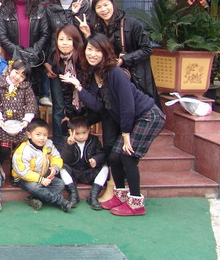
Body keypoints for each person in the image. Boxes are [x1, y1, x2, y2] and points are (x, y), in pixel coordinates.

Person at [59, 33, 166, 216]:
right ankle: (120, 195)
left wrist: (126, 134)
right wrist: (78, 86)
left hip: (149, 116)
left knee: (127, 156)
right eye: (89, 50)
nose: (92, 54)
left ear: (105, 52)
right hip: (134, 119)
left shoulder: (115, 73)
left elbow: (127, 105)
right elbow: (98, 106)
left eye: (97, 51)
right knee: (114, 156)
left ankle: (136, 203)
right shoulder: (95, 74)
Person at [85, 0, 159, 102]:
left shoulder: (131, 24)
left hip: (135, 78)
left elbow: (147, 49)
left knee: (136, 106)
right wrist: (87, 35)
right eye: (99, 7)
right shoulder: (98, 29)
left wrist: (124, 59)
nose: (103, 9)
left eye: (106, 5)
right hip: (111, 78)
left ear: (113, 4)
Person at [44, 0, 90, 145]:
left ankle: (79, 142)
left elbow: (80, 34)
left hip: (78, 63)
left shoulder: (84, 6)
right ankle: (59, 144)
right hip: (57, 62)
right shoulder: (50, 8)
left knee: (78, 105)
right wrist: (47, 62)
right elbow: (48, 35)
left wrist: (73, 13)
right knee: (58, 107)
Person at [0, 0, 50, 105]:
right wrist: (19, 54)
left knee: (31, 103)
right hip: (13, 62)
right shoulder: (4, 8)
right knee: (11, 102)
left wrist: (32, 52)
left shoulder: (39, 8)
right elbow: (2, 36)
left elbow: (45, 33)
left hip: (34, 62)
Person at [12, 118, 72, 212]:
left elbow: (56, 157)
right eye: (38, 134)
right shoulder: (24, 150)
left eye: (45, 135)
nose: (42, 138)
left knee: (60, 184)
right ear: (29, 135)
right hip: (23, 178)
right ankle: (60, 201)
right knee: (34, 187)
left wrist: (55, 168)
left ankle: (34, 199)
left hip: (42, 175)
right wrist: (41, 180)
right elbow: (23, 172)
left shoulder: (49, 144)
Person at [0, 60, 37, 165]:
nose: (17, 77)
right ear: (10, 69)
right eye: (16, 72)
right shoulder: (1, 85)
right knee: (4, 149)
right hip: (3, 124)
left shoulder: (26, 88)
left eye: (22, 76)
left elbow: (31, 104)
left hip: (20, 124)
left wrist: (26, 120)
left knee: (19, 151)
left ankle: (15, 171)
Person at [59, 116, 108, 210]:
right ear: (70, 132)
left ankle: (93, 196)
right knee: (62, 167)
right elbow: (65, 159)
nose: (81, 136)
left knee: (105, 168)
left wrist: (96, 160)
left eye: (84, 133)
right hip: (73, 172)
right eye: (77, 133)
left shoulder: (94, 140)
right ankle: (74, 195)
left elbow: (101, 154)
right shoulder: (66, 140)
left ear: (89, 130)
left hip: (88, 172)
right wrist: (69, 145)